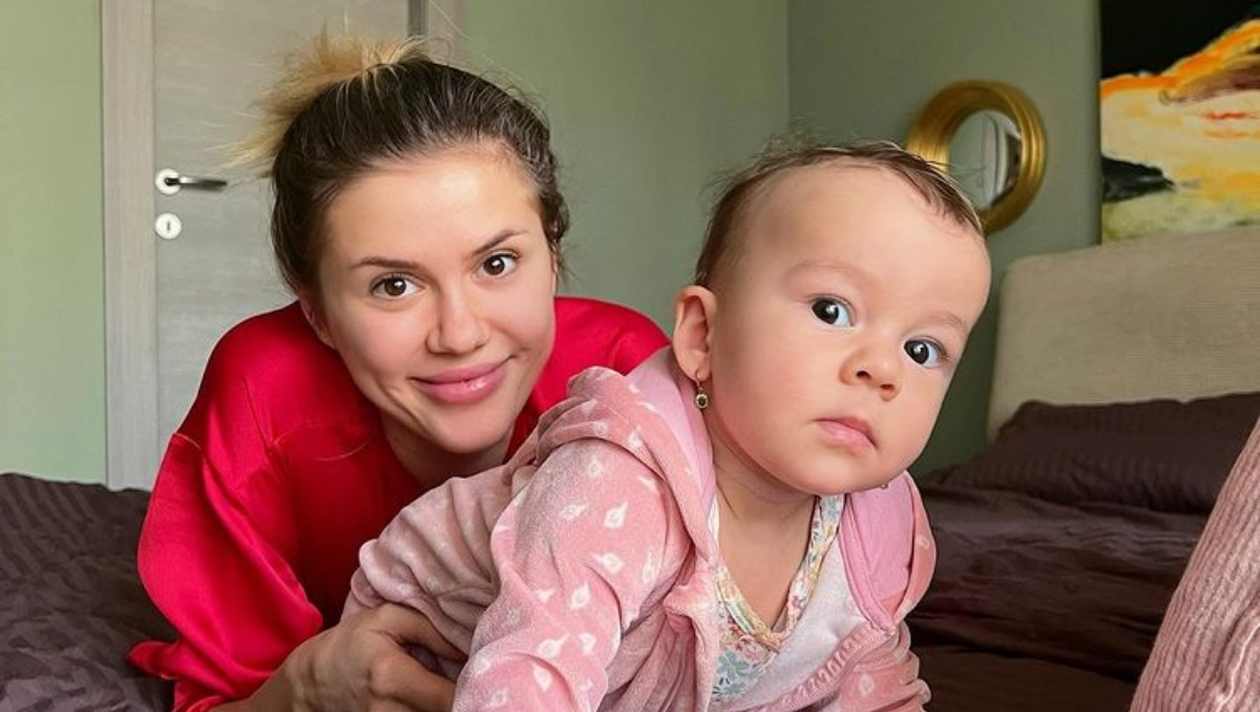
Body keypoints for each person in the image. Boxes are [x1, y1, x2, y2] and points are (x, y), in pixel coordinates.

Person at [344, 139, 993, 710]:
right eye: (832, 310)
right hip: (430, 650)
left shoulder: (882, 525)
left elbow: (873, 679)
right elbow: (530, 675)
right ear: (703, 335)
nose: (883, 369)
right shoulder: (617, 483)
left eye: (923, 350)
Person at [127, 33, 669, 712]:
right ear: (316, 310)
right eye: (393, 285)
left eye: (496, 264)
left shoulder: (625, 374)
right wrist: (307, 687)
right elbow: (222, 701)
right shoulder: (262, 393)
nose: (460, 335)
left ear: (553, 253)